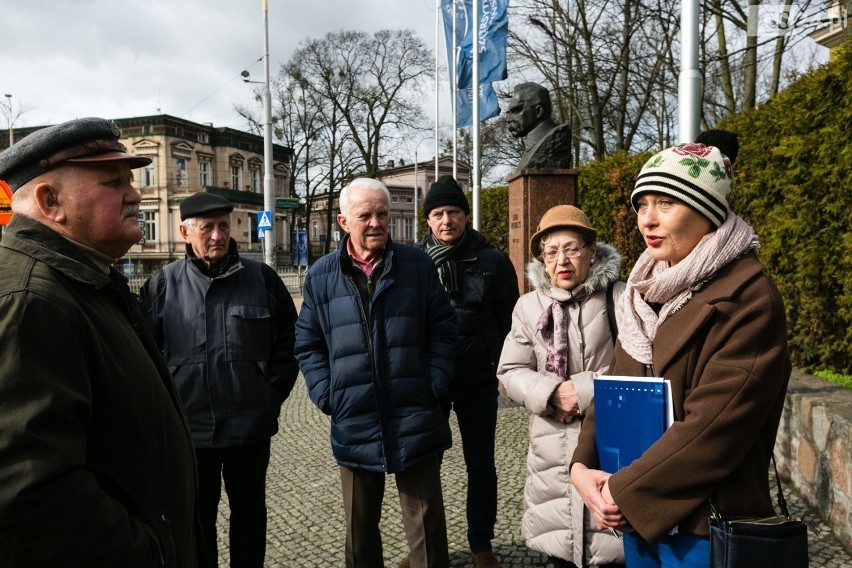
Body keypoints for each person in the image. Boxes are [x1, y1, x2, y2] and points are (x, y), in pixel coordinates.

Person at [570, 143, 792, 567]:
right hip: (640, 516)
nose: (647, 220)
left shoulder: (749, 299)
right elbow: (616, 390)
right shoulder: (642, 292)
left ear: (708, 211)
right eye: (642, 205)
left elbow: (714, 429)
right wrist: (582, 466)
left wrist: (622, 491)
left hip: (705, 526)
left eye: (666, 203)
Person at [0, 117, 203, 567]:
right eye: (113, 182)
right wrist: (150, 552)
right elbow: (30, 495)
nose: (135, 194)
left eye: (131, 180)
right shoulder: (31, 299)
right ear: (50, 201)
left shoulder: (86, 279)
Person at [294, 177, 456, 568]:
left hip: (415, 414)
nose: (375, 222)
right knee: (359, 532)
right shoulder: (321, 275)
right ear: (342, 221)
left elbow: (444, 330)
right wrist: (327, 393)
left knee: (427, 531)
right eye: (365, 215)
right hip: (354, 416)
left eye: (382, 214)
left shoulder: (417, 265)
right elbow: (308, 342)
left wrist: (432, 384)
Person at [140, 192, 299, 568]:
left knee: (250, 514)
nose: (217, 235)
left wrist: (269, 394)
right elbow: (144, 358)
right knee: (197, 519)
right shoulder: (161, 286)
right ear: (184, 231)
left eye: (224, 226)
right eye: (207, 227)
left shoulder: (262, 278)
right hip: (191, 433)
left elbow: (289, 343)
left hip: (250, 428)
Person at [496, 205, 625, 568]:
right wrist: (551, 393)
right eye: (551, 252)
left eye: (572, 248)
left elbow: (643, 369)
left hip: (609, 443)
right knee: (561, 554)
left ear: (591, 251)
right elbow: (510, 370)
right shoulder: (528, 306)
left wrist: (579, 391)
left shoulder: (619, 298)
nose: (562, 260)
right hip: (551, 450)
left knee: (613, 548)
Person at [415, 176, 520, 568]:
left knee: (481, 465)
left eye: (454, 212)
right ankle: (423, 545)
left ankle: (481, 543)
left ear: (465, 216)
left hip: (478, 380)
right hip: (432, 382)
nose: (446, 221)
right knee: (425, 467)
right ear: (428, 220)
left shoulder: (492, 261)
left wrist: (502, 370)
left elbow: (511, 323)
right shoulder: (413, 262)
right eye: (438, 214)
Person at [506, 82, 573, 170]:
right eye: (509, 113)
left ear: (538, 111)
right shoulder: (528, 147)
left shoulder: (556, 138)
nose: (508, 119)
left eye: (516, 110)